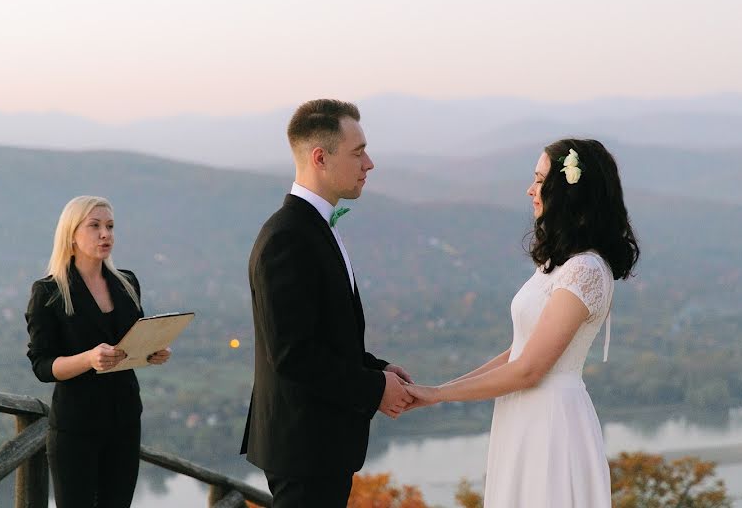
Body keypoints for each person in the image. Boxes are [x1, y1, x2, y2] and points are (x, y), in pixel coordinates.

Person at [406, 139, 639, 507]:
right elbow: (519, 352)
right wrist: (438, 389)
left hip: (552, 422)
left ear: (567, 191)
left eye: (540, 179)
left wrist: (438, 395)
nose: (530, 190)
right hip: (522, 414)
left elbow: (530, 369)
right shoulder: (558, 265)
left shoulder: (586, 270)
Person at [240, 99, 414, 507]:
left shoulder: (314, 227)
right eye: (358, 152)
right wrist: (375, 389)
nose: (368, 163)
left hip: (320, 444)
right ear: (320, 157)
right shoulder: (287, 237)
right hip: (304, 446)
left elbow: (324, 334)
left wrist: (377, 368)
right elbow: (293, 354)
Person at [25, 196, 171, 508]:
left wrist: (151, 352)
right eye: (95, 226)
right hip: (76, 428)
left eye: (110, 226)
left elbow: (131, 342)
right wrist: (88, 359)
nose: (106, 234)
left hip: (126, 420)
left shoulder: (127, 282)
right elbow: (42, 366)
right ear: (71, 234)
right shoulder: (48, 292)